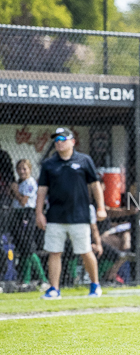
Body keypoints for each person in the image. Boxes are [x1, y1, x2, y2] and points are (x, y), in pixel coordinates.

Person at [37, 127, 106, 299]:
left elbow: (95, 185)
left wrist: (101, 207)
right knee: (54, 252)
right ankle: (54, 289)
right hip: (55, 216)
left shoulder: (84, 160)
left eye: (63, 139)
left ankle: (95, 285)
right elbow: (42, 190)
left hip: (79, 216)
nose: (59, 142)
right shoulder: (48, 164)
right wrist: (39, 213)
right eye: (56, 140)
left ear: (72, 142)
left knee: (85, 251)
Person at [10, 159, 47, 289]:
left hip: (27, 214)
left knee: (28, 247)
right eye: (19, 169)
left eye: (24, 168)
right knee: (24, 248)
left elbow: (23, 201)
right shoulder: (20, 183)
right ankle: (26, 279)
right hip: (17, 214)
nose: (21, 171)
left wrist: (15, 191)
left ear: (30, 169)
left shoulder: (30, 183)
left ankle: (41, 279)